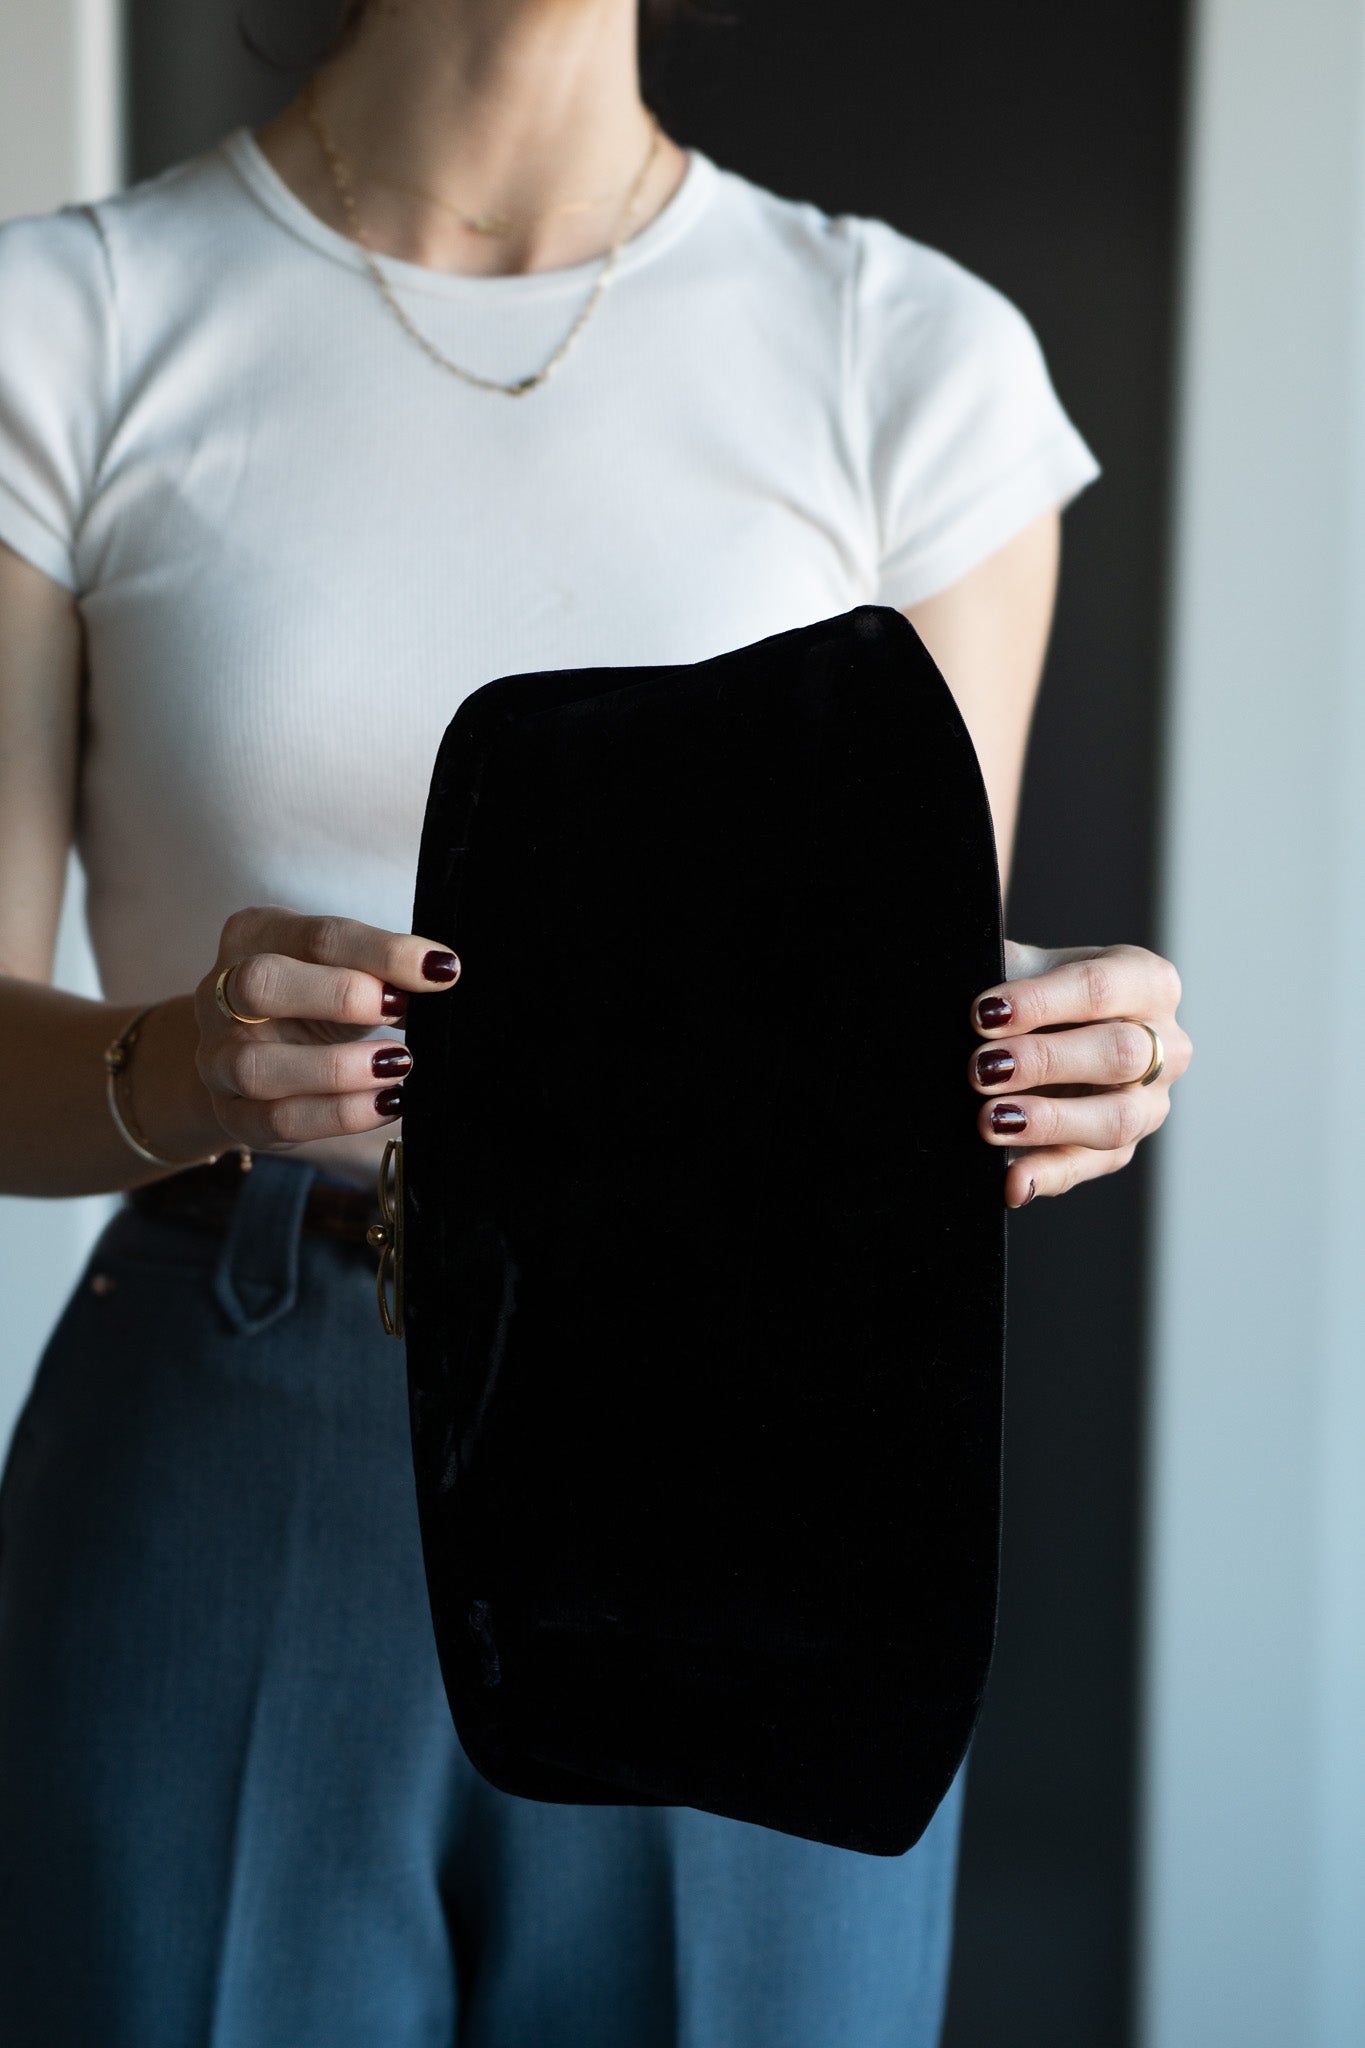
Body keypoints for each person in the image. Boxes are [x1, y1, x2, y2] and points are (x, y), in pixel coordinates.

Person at [0, 0, 1191, 2041]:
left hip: (752, 1463)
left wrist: (1049, 1067)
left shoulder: (909, 356)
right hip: (233, 1410)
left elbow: (895, 1055)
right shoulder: (70, 319)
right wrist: (174, 1058)